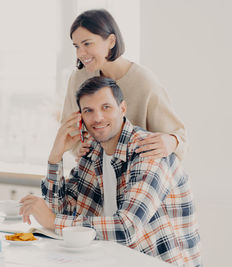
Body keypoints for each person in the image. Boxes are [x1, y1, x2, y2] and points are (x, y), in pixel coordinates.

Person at [20, 77, 201, 266]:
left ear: (122, 109)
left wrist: (53, 221)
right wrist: (55, 157)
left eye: (106, 107)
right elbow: (61, 211)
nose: (97, 118)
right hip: (114, 259)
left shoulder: (148, 151)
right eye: (88, 110)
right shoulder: (92, 152)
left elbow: (127, 228)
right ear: (80, 117)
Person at [62, 9, 187, 161]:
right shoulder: (78, 78)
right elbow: (69, 130)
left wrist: (171, 141)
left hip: (136, 175)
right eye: (76, 46)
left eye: (87, 43)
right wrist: (79, 149)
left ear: (111, 41)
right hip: (96, 176)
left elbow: (178, 136)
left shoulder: (144, 82)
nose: (80, 53)